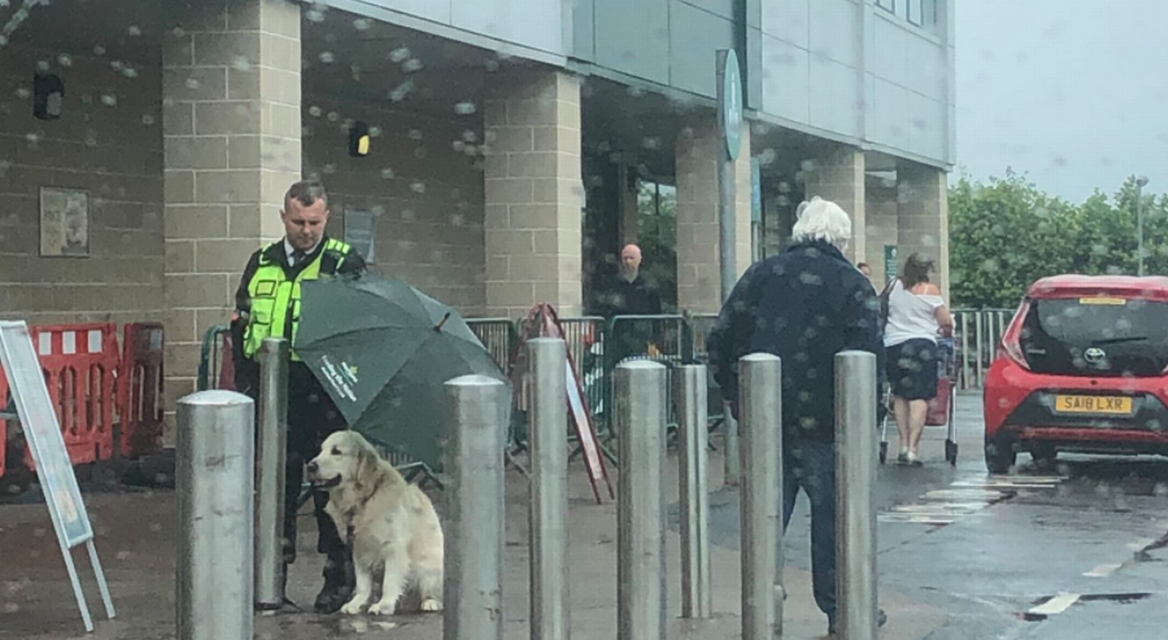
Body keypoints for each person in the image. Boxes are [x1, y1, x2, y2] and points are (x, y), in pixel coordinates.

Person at [707, 196, 887, 636]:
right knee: (835, 525)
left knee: (764, 521)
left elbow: (721, 339)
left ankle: (762, 606)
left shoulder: (761, 275)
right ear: (841, 238)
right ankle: (841, 608)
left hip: (767, 420)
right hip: (829, 422)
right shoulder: (851, 283)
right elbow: (869, 357)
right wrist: (869, 415)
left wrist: (738, 398)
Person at [231, 179, 368, 613]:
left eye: (313, 222)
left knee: (333, 491)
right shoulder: (262, 262)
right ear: (283, 218)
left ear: (326, 218)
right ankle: (271, 578)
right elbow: (243, 321)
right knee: (275, 488)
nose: (306, 231)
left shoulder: (343, 263)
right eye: (297, 222)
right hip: (273, 393)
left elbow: (359, 328)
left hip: (325, 394)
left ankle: (338, 579)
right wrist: (249, 382)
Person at [882, 252, 953, 466]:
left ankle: (902, 444)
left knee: (900, 396)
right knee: (919, 398)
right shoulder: (929, 290)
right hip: (921, 347)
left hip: (893, 345)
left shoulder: (893, 286)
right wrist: (945, 332)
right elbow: (945, 322)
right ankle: (913, 448)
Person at [597, 243, 663, 364]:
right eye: (625, 258)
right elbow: (606, 310)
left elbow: (657, 312)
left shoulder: (649, 284)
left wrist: (656, 339)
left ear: (639, 260)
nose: (628, 261)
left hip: (641, 337)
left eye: (631, 258)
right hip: (618, 338)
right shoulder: (613, 284)